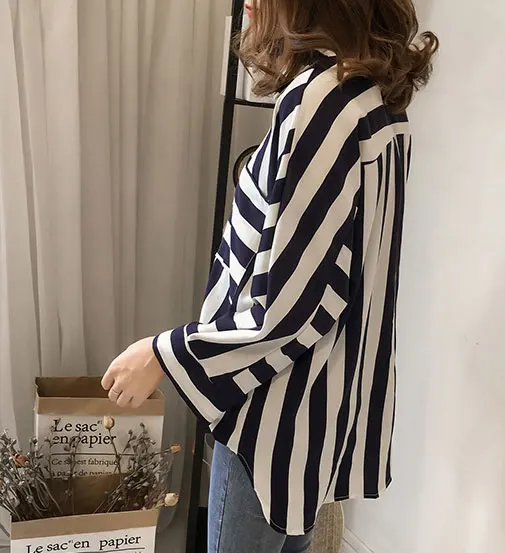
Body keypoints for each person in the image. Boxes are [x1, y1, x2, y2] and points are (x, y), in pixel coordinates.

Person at [102, 1, 438, 552]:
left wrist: (164, 353)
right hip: (319, 410)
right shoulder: (373, 99)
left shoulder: (322, 105)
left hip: (272, 417)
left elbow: (288, 307)